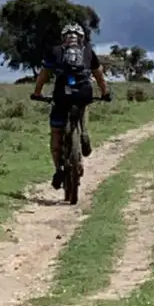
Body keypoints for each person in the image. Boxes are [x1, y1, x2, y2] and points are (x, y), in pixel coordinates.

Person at [31, 23, 111, 190]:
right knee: (82, 108)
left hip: (61, 97)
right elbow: (99, 75)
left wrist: (37, 93)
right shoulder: (88, 51)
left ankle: (58, 168)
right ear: (81, 38)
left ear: (63, 38)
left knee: (56, 132)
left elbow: (43, 75)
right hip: (83, 94)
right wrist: (104, 93)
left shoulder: (55, 51)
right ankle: (84, 135)